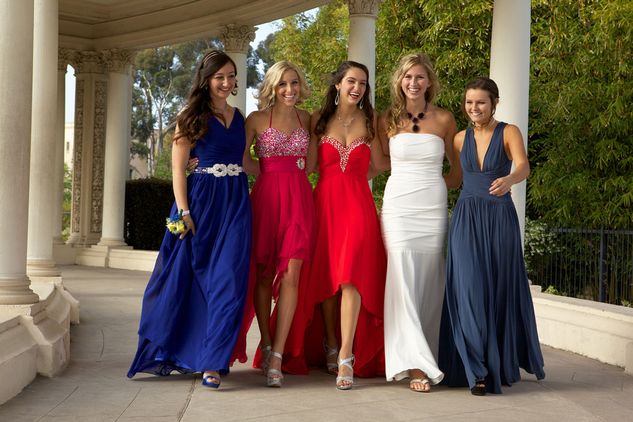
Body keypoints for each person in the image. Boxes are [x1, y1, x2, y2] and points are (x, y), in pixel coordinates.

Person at [127, 50, 255, 389]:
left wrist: (289, 167)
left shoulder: (239, 116)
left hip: (236, 202)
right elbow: (178, 168)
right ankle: (190, 351)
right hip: (200, 203)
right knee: (189, 281)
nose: (226, 83)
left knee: (230, 280)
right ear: (207, 80)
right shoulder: (190, 115)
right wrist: (184, 212)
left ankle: (213, 361)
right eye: (219, 77)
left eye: (230, 76)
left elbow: (246, 161)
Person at [439, 77, 545, 395]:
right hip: (466, 219)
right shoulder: (458, 139)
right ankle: (477, 370)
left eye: (481, 102)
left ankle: (495, 362)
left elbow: (524, 166)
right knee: (468, 290)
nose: (474, 108)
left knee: (498, 289)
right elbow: (455, 179)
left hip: (500, 218)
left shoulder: (509, 131)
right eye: (469, 102)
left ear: (494, 103)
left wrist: (510, 179)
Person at [288, 61, 388, 390]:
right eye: (351, 81)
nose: (357, 87)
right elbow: (310, 166)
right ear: (338, 84)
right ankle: (330, 342)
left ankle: (346, 355)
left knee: (351, 278)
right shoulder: (320, 120)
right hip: (324, 205)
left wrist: (419, 160)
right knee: (327, 280)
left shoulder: (371, 121)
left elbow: (378, 166)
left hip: (358, 207)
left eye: (362, 82)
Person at [378, 53, 461, 393]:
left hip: (431, 207)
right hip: (398, 206)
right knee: (401, 276)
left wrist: (435, 187)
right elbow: (381, 160)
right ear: (400, 81)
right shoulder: (387, 119)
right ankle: (414, 364)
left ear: (430, 82)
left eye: (420, 77)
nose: (413, 83)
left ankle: (428, 351)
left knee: (428, 280)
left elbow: (456, 169)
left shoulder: (444, 119)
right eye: (408, 77)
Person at [243, 61, 315, 387]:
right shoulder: (256, 120)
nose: (290, 90)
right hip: (266, 199)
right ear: (273, 86)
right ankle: (267, 338)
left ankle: (278, 355)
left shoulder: (308, 119)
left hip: (300, 198)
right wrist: (268, 172)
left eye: (295, 83)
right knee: (262, 272)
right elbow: (243, 159)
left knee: (292, 273)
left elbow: (312, 163)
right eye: (284, 84)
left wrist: (291, 173)